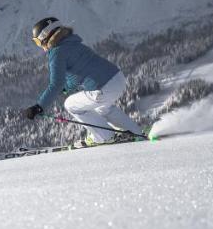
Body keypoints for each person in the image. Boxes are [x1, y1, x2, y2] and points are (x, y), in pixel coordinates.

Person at [20, 17, 145, 147]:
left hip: (102, 88)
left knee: (71, 105)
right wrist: (66, 87)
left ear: (45, 37)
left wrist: (39, 106)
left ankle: (104, 136)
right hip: (117, 78)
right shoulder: (72, 42)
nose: (40, 46)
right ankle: (137, 133)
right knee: (104, 108)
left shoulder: (56, 53)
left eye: (38, 42)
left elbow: (56, 84)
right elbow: (78, 73)